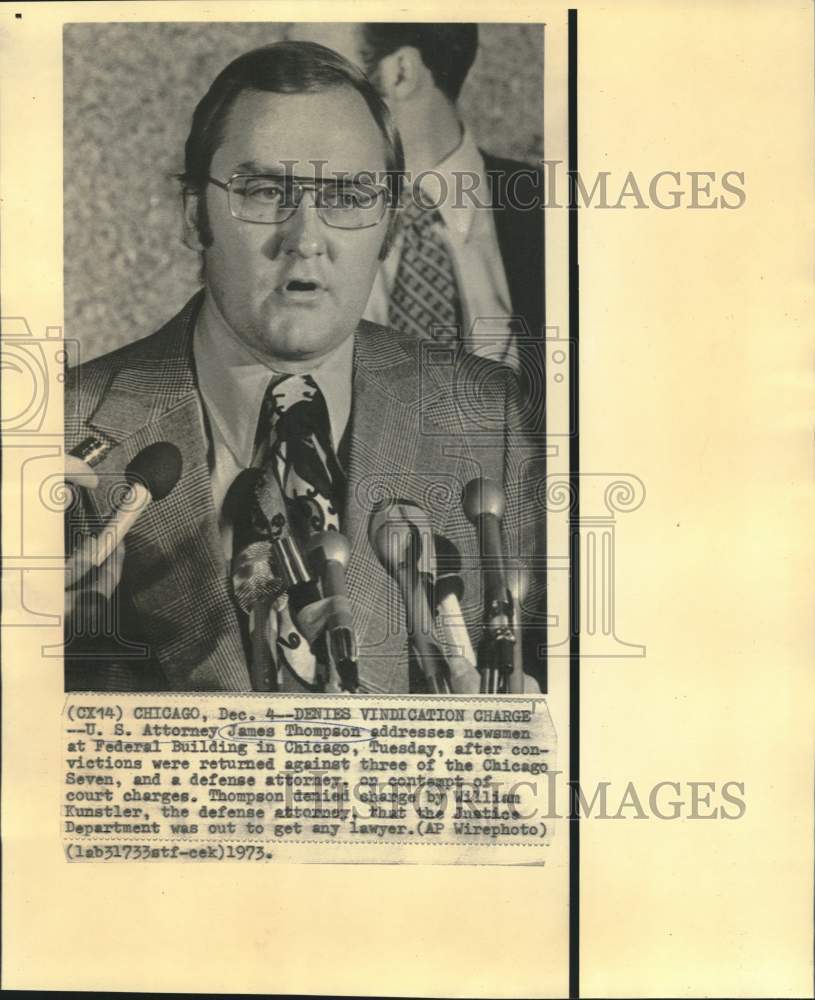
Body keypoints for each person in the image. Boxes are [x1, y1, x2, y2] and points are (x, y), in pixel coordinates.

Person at [64, 41, 546, 694]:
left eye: (348, 195)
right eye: (264, 191)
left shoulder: (490, 418)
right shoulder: (57, 434)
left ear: (389, 226)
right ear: (192, 216)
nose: (306, 237)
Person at [285, 23, 545, 369]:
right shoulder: (275, 219)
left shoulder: (562, 211)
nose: (279, 92)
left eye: (311, 68)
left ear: (400, 73)